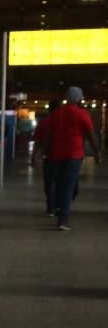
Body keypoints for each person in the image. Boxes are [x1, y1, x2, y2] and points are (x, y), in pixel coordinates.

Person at [45, 87, 100, 231]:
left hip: (56, 154)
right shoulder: (82, 114)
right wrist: (97, 152)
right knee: (69, 186)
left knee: (60, 184)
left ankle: (59, 209)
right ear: (79, 98)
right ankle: (63, 219)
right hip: (74, 154)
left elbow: (49, 134)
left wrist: (45, 152)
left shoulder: (56, 113)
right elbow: (91, 135)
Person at [32, 99, 61, 216]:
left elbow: (37, 141)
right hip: (64, 156)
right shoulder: (63, 122)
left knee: (49, 183)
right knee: (61, 182)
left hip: (48, 156)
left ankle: (50, 207)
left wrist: (34, 157)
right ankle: (59, 205)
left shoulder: (44, 122)